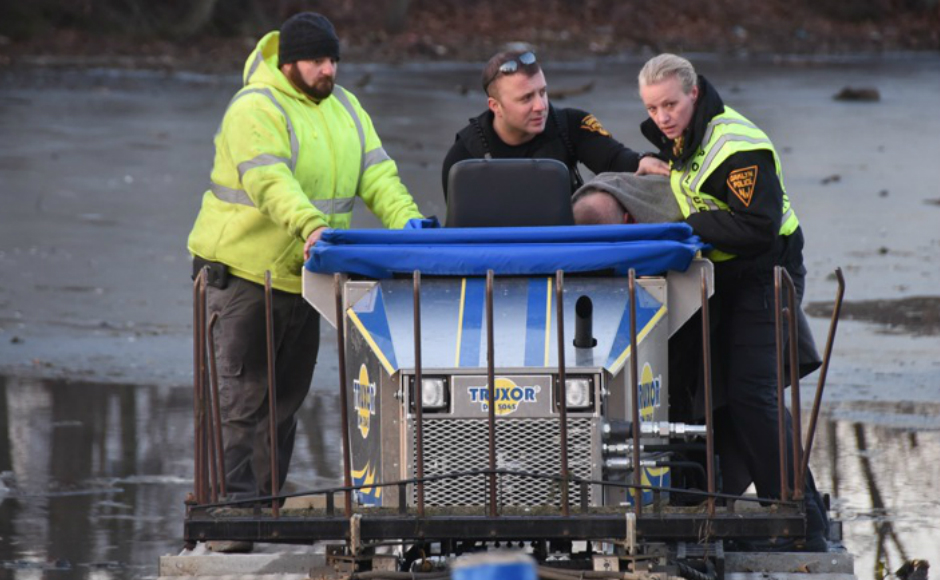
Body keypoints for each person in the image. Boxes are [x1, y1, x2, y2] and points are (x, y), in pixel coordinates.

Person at [187, 12, 423, 550]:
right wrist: (313, 226)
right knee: (240, 401)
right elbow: (271, 181)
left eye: (333, 59)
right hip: (244, 275)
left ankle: (261, 511)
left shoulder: (345, 107)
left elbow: (378, 174)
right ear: (289, 61)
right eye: (317, 60)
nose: (328, 70)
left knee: (284, 403)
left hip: (306, 277)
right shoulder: (256, 107)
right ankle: (229, 520)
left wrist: (407, 224)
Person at [632, 53, 828, 551]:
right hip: (730, 278)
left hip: (768, 274)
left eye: (670, 104)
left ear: (694, 93)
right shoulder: (684, 139)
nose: (662, 117)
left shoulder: (734, 146)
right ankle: (715, 496)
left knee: (752, 396)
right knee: (719, 392)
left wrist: (688, 230)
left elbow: (759, 226)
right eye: (653, 109)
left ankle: (800, 520)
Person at [441, 50, 669, 199]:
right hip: (494, 257)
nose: (541, 106)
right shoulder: (463, 156)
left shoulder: (570, 125)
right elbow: (461, 227)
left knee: (601, 202)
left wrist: (643, 161)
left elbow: (615, 160)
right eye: (526, 98)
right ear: (495, 106)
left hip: (561, 247)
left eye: (543, 92)